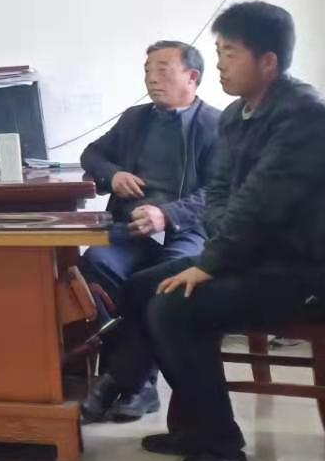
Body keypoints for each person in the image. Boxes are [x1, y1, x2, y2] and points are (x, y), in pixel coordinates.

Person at [113, 2, 325, 461]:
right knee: (141, 288)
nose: (220, 65)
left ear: (267, 61)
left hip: (306, 273)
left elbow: (262, 204)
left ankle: (224, 456)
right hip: (258, 258)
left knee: (174, 304)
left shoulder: (304, 115)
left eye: (229, 54)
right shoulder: (235, 116)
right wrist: (219, 247)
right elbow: (222, 194)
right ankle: (195, 427)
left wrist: (212, 262)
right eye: (219, 53)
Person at [78, 41, 221, 423]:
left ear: (192, 77)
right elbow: (91, 154)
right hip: (129, 230)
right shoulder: (135, 119)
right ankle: (127, 380)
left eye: (162, 70)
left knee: (166, 279)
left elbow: (218, 191)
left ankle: (135, 382)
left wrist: (167, 215)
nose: (151, 79)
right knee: (95, 264)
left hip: (185, 231)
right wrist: (114, 175)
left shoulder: (216, 125)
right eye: (147, 71)